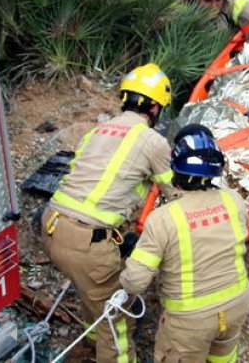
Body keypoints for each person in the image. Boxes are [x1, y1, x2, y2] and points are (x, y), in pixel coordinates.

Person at [42, 63, 176, 363]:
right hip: (88, 244)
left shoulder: (97, 131)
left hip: (51, 227)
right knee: (118, 321)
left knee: (92, 294)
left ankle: (92, 342)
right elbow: (174, 193)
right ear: (156, 107)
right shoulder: (152, 141)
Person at [119, 124, 249, 363]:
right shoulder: (233, 200)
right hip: (237, 304)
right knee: (223, 357)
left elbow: (136, 282)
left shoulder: (162, 218)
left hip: (190, 320)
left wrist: (127, 271)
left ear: (175, 169)